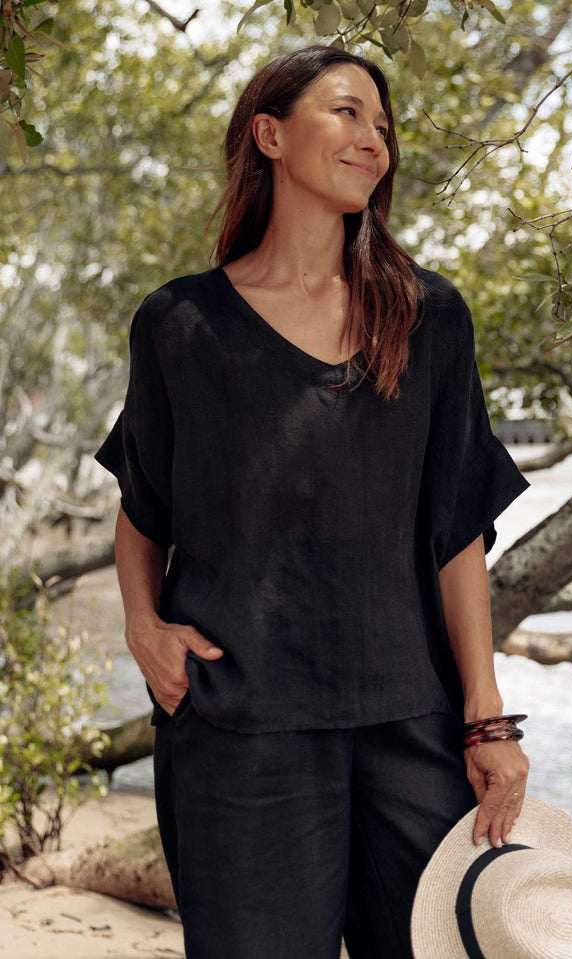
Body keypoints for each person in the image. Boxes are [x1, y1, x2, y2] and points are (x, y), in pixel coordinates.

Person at [94, 43, 532, 959]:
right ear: (270, 135)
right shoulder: (179, 325)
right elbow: (144, 506)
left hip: (412, 728)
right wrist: (143, 626)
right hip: (239, 731)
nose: (374, 139)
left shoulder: (428, 317)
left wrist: (485, 718)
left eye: (383, 125)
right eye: (346, 112)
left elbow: (458, 531)